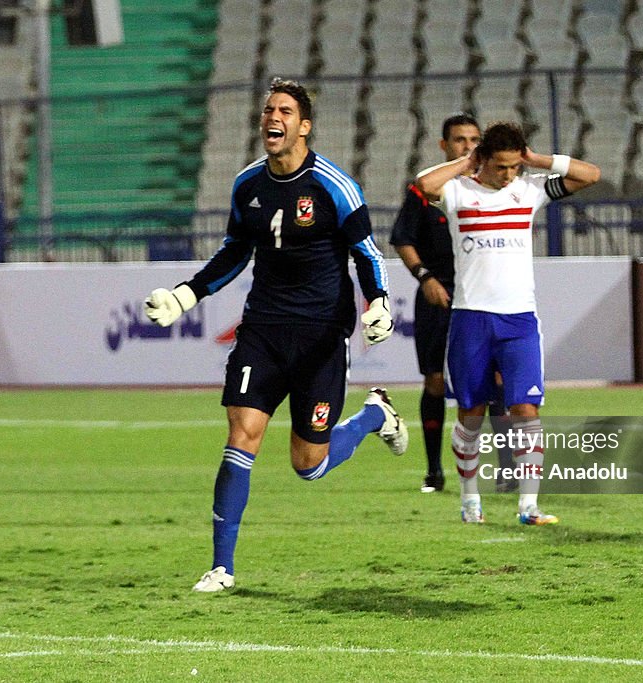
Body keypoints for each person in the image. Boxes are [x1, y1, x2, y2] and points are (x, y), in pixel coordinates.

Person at [144, 77, 408, 592]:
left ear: (303, 126)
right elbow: (234, 253)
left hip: (320, 336)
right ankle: (222, 567)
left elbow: (367, 253)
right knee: (240, 437)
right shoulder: (248, 185)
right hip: (263, 329)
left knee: (308, 465)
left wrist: (379, 301)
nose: (273, 117)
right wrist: (186, 295)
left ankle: (374, 415)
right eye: (268, 109)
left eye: (285, 110)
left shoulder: (335, 185)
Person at [415, 121, 600, 525]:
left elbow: (591, 175)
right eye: (501, 167)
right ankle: (469, 500)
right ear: (484, 161)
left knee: (526, 409)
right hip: (471, 320)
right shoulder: (459, 192)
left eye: (515, 166)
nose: (509, 175)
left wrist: (537, 160)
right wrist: (467, 160)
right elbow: (424, 185)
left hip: (519, 321)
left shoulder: (529, 189)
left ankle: (528, 506)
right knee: (470, 412)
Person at [390, 114, 517, 494]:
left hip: (481, 297)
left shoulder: (492, 187)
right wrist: (424, 277)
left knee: (495, 381)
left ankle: (508, 469)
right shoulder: (433, 190)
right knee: (434, 381)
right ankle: (434, 471)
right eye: (460, 140)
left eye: (474, 139)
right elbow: (402, 238)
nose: (468, 146)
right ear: (444, 146)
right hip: (439, 295)